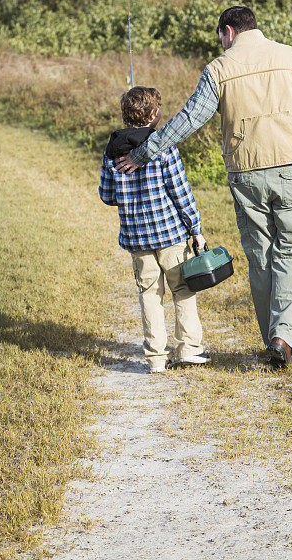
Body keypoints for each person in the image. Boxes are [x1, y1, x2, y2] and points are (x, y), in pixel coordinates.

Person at [115, 7, 292, 368]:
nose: (221, 43)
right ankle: (283, 337)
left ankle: (274, 341)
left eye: (220, 37)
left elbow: (189, 119)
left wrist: (145, 152)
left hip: (246, 172)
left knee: (261, 254)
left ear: (228, 32)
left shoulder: (218, 68)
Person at [99, 85, 210, 373]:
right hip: (171, 235)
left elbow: (107, 196)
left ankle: (157, 359)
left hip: (137, 239)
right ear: (152, 115)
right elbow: (180, 192)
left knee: (149, 293)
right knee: (182, 288)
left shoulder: (111, 151)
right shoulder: (163, 146)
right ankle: (188, 349)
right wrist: (195, 229)